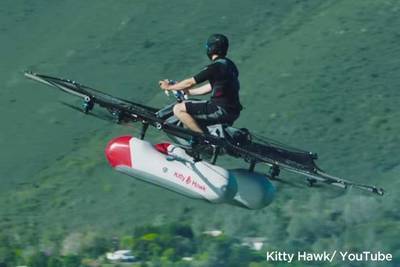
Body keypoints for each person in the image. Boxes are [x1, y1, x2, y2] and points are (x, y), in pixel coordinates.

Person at [159, 33, 242, 133]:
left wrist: (169, 87)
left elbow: (190, 82)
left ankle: (204, 139)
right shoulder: (230, 65)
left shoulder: (215, 67)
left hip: (220, 110)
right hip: (233, 112)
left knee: (178, 109)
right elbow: (211, 87)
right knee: (188, 108)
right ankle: (199, 139)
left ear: (210, 49)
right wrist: (188, 92)